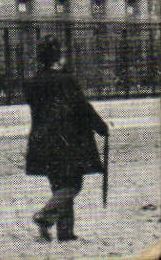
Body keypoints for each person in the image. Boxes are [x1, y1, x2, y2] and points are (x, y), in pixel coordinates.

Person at [24, 38, 107, 242]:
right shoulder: (66, 80)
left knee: (59, 184)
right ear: (57, 59)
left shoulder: (32, 82)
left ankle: (65, 232)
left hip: (42, 142)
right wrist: (101, 127)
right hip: (66, 142)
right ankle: (45, 215)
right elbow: (81, 107)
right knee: (73, 185)